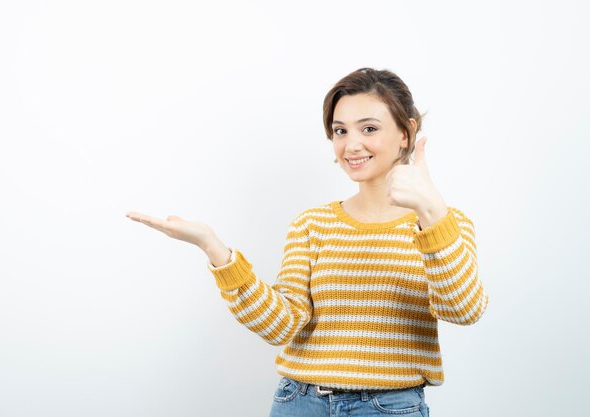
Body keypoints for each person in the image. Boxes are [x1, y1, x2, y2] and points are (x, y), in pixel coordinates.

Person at [126, 67, 489, 417]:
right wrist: (213, 247)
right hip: (300, 403)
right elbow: (281, 324)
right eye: (340, 130)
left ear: (406, 133)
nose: (351, 144)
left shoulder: (445, 224)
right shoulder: (312, 224)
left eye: (369, 128)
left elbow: (463, 310)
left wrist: (432, 212)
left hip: (390, 407)